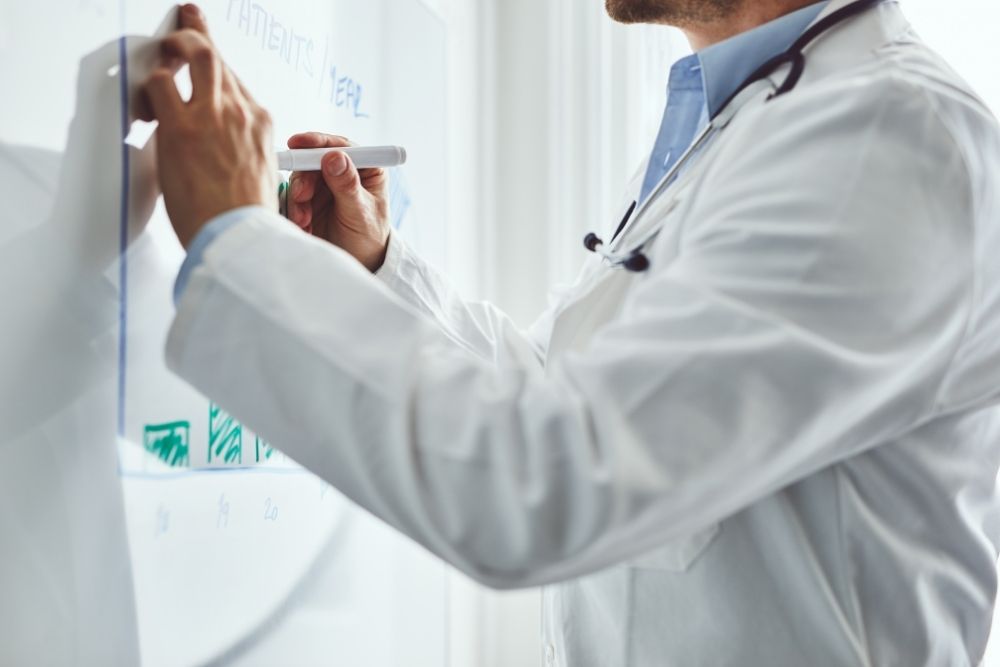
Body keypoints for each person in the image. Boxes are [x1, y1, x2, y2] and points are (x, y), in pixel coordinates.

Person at [145, 1, 1000, 664]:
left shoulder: (883, 135)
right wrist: (376, 268)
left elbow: (551, 471)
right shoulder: (752, 116)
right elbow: (571, 392)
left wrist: (238, 239)